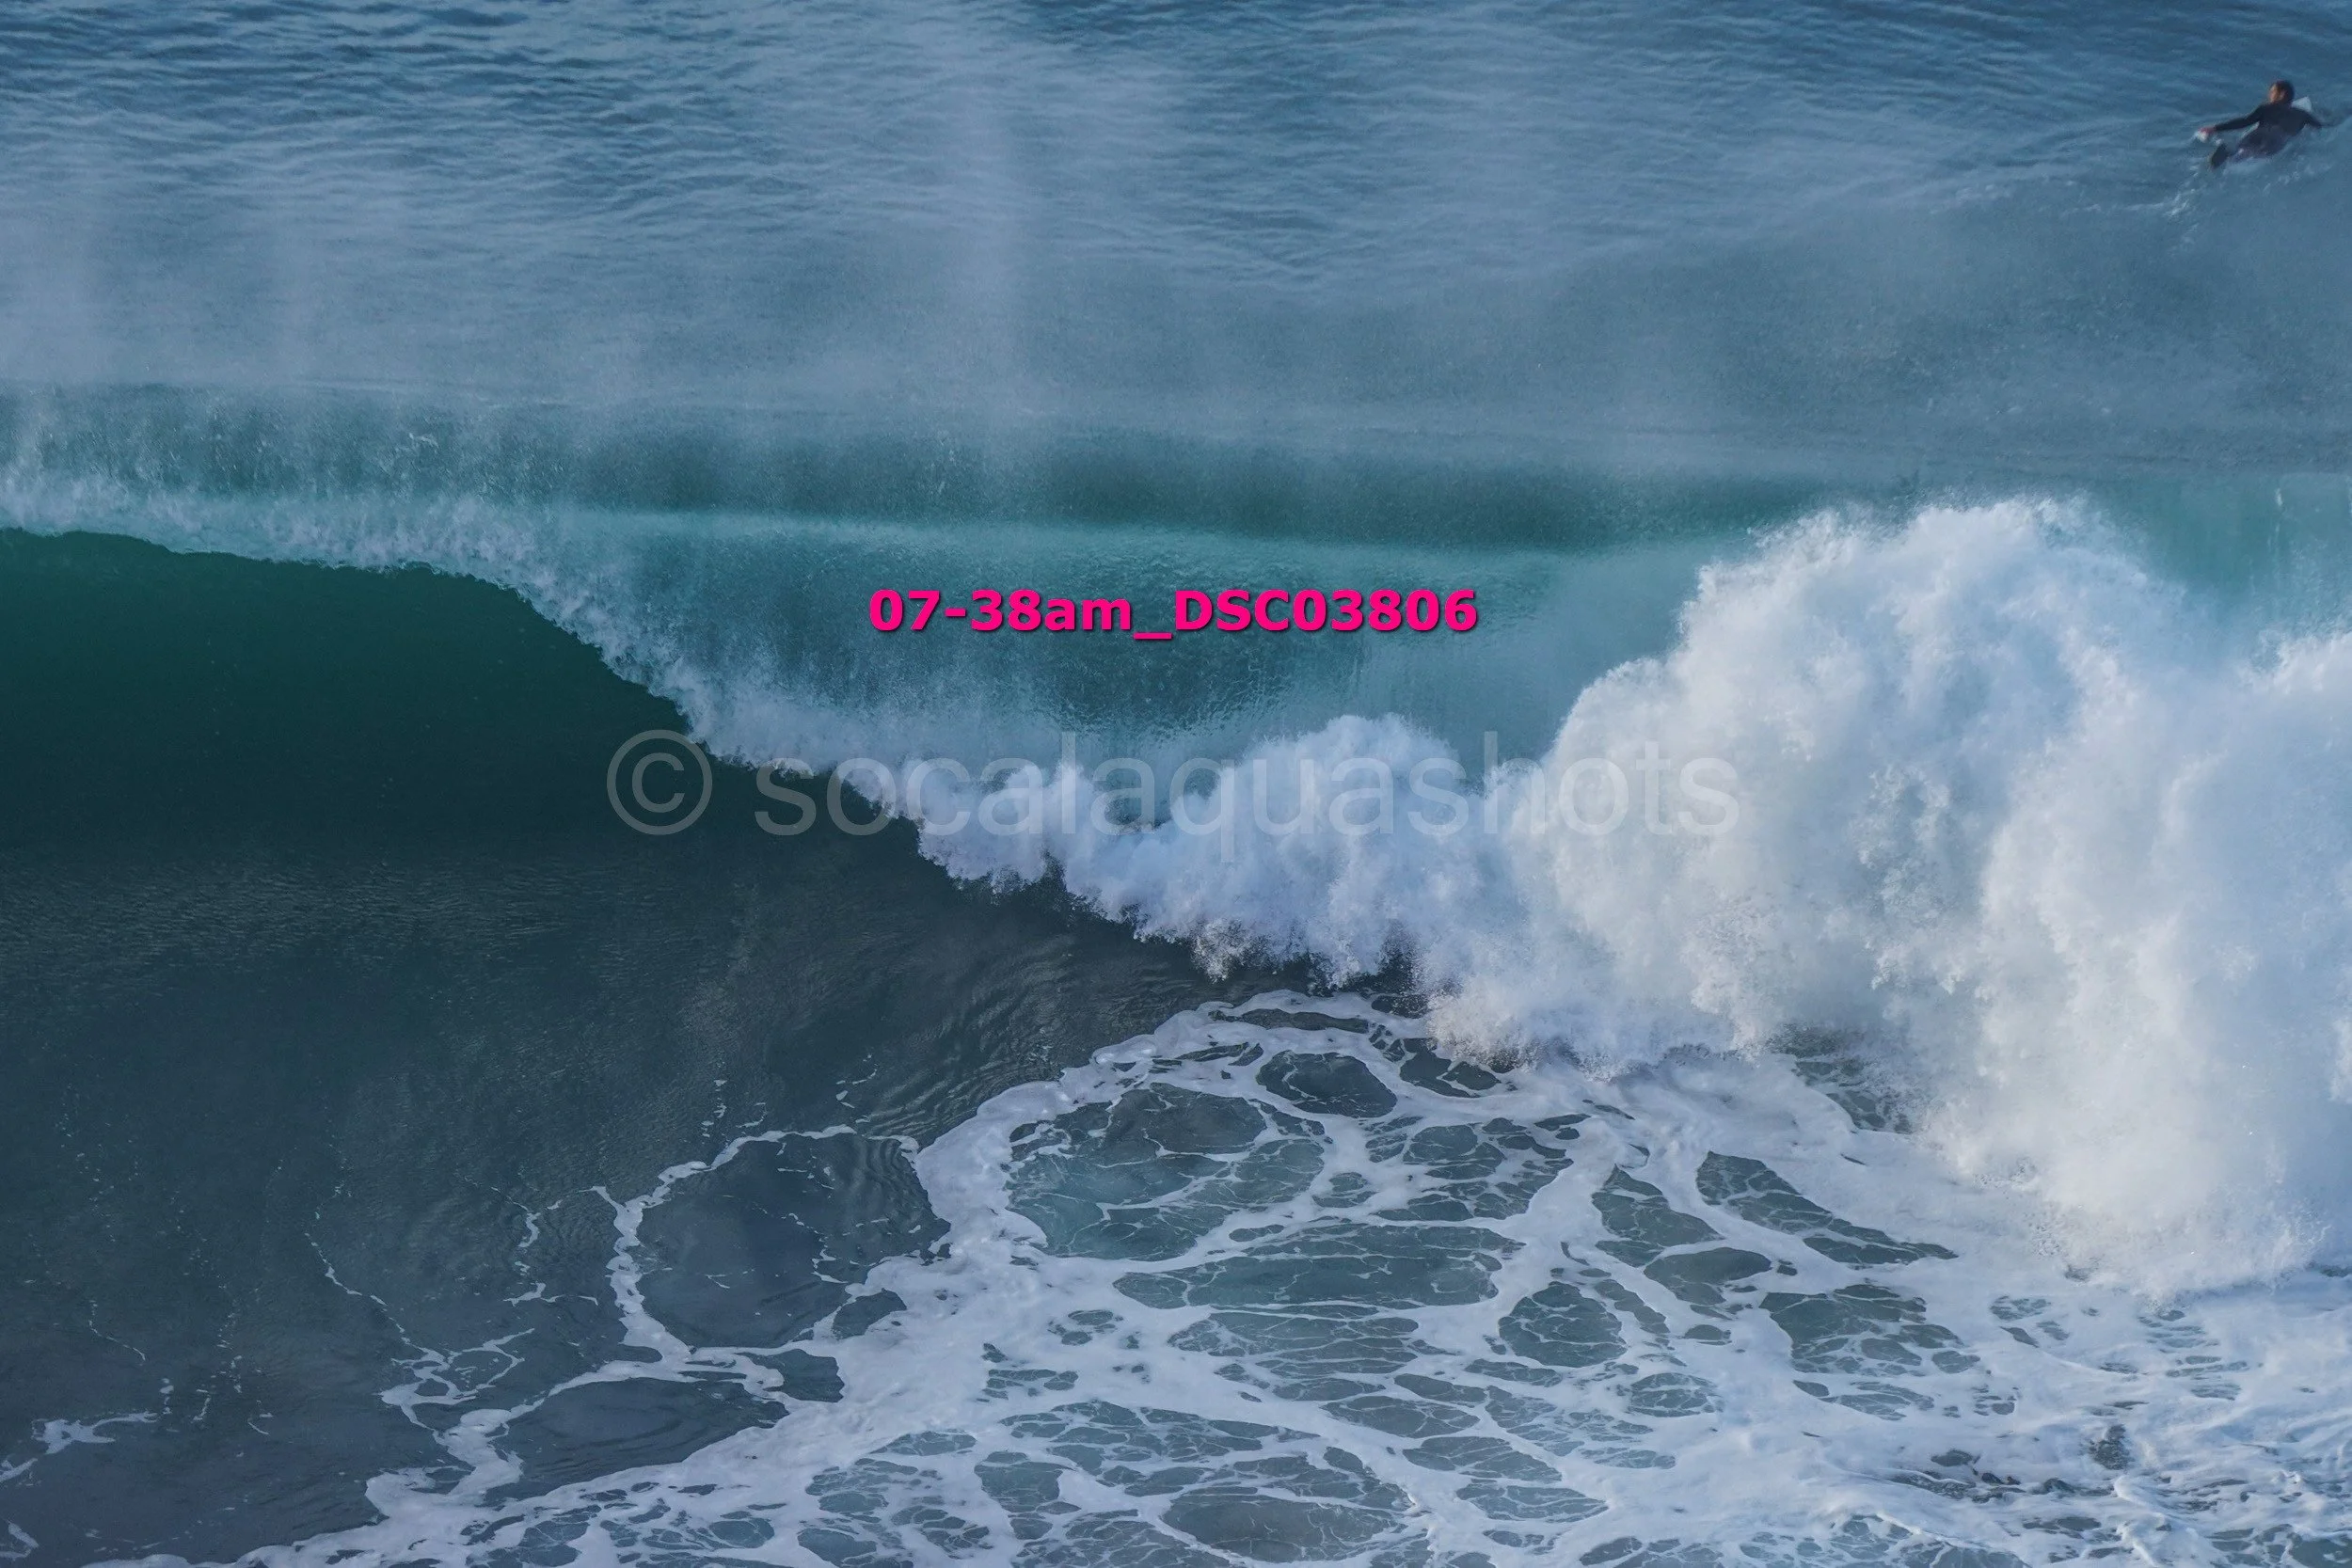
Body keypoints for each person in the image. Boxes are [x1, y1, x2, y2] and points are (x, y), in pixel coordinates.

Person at [2201, 80, 2326, 167]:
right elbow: (2321, 127)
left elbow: (2245, 121)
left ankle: (2228, 153)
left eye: (2272, 92)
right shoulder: (2302, 114)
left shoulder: (2267, 108)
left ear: (2281, 94)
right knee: (2259, 153)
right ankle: (2236, 157)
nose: (2269, 95)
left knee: (2241, 149)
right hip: (2278, 139)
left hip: (2259, 133)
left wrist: (2215, 128)